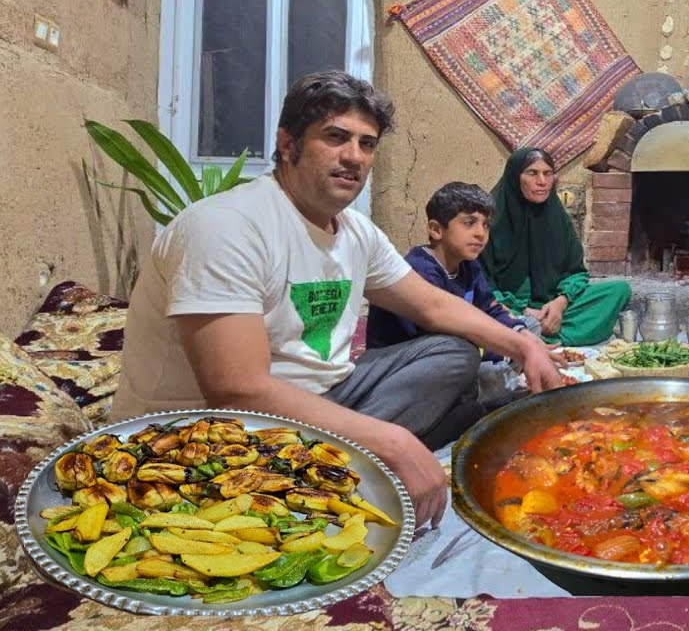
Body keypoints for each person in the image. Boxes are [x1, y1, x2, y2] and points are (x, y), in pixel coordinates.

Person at [112, 71, 561, 530]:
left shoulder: (355, 232)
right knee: (441, 419)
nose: (354, 157)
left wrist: (522, 343)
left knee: (453, 351)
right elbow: (237, 388)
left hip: (322, 398)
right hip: (204, 437)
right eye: (336, 137)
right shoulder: (227, 227)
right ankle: (334, 472)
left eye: (367, 144)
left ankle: (340, 461)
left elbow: (434, 307)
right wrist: (392, 440)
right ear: (288, 144)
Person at [366, 181, 540, 410]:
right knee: (474, 359)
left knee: (530, 326)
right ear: (436, 230)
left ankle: (498, 379)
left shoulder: (468, 265)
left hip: (463, 348)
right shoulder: (420, 270)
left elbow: (490, 308)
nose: (480, 234)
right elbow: (438, 339)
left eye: (486, 225)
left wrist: (523, 336)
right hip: (408, 365)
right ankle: (484, 388)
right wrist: (507, 349)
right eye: (469, 223)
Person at [481, 148, 631, 347]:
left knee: (618, 290)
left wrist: (560, 303)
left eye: (548, 173)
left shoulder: (557, 217)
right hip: (507, 307)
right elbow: (481, 284)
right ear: (515, 177)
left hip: (551, 304)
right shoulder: (490, 221)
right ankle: (541, 334)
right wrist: (524, 311)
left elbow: (576, 272)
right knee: (483, 312)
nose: (542, 181)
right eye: (532, 173)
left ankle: (533, 335)